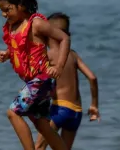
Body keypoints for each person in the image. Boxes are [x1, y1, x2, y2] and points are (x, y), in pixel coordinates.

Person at [0, 0, 71, 150]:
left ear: (21, 5)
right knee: (41, 124)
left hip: (42, 79)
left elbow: (64, 38)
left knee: (13, 112)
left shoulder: (35, 23)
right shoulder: (13, 25)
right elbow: (21, 48)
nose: (3, 14)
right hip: (34, 81)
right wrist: (7, 54)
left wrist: (59, 66)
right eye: (1, 10)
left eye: (7, 9)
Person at [35, 12, 100, 150]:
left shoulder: (49, 55)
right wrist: (94, 105)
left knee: (39, 147)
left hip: (60, 109)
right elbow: (92, 78)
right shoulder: (73, 55)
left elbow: (39, 81)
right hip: (76, 112)